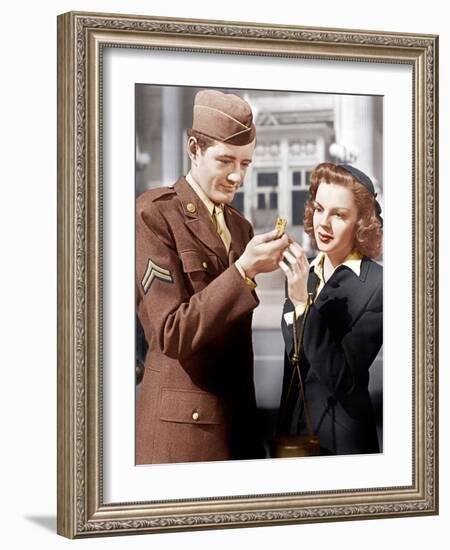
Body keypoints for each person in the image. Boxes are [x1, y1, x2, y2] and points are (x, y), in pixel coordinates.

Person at [136, 89, 289, 464]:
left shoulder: (240, 227)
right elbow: (171, 333)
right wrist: (243, 270)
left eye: (246, 164)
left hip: (237, 430)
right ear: (193, 148)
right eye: (225, 160)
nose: (237, 176)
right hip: (183, 437)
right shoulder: (154, 216)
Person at [278, 162, 383, 455]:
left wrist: (301, 305)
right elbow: (294, 362)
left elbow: (343, 379)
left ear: (361, 223)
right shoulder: (306, 274)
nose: (323, 222)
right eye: (320, 208)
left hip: (342, 445)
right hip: (295, 435)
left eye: (339, 214)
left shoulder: (378, 284)